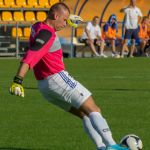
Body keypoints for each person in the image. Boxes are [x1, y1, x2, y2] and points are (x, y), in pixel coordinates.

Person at [9, 2, 128, 150]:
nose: (65, 23)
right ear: (55, 15)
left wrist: (67, 19)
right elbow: (31, 54)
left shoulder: (37, 26)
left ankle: (101, 147)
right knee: (94, 109)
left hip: (44, 87)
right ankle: (112, 146)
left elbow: (47, 31)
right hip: (57, 78)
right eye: (64, 20)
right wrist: (18, 80)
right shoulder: (47, 34)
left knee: (84, 114)